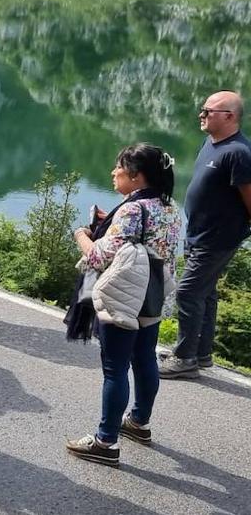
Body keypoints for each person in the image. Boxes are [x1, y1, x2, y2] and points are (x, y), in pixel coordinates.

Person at [64, 144, 181, 466]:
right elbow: (147, 243)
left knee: (115, 368)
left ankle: (105, 442)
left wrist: (82, 235)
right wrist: (110, 223)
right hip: (153, 294)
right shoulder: (170, 207)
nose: (113, 173)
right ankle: (139, 422)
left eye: (119, 167)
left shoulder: (132, 210)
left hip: (124, 295)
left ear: (136, 175)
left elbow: (99, 256)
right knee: (144, 359)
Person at [160, 90, 251, 378]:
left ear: (229, 116)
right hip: (199, 232)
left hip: (218, 238)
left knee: (187, 293)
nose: (201, 115)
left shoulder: (239, 153)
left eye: (207, 111)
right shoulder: (211, 142)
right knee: (206, 293)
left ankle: (185, 359)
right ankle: (200, 354)